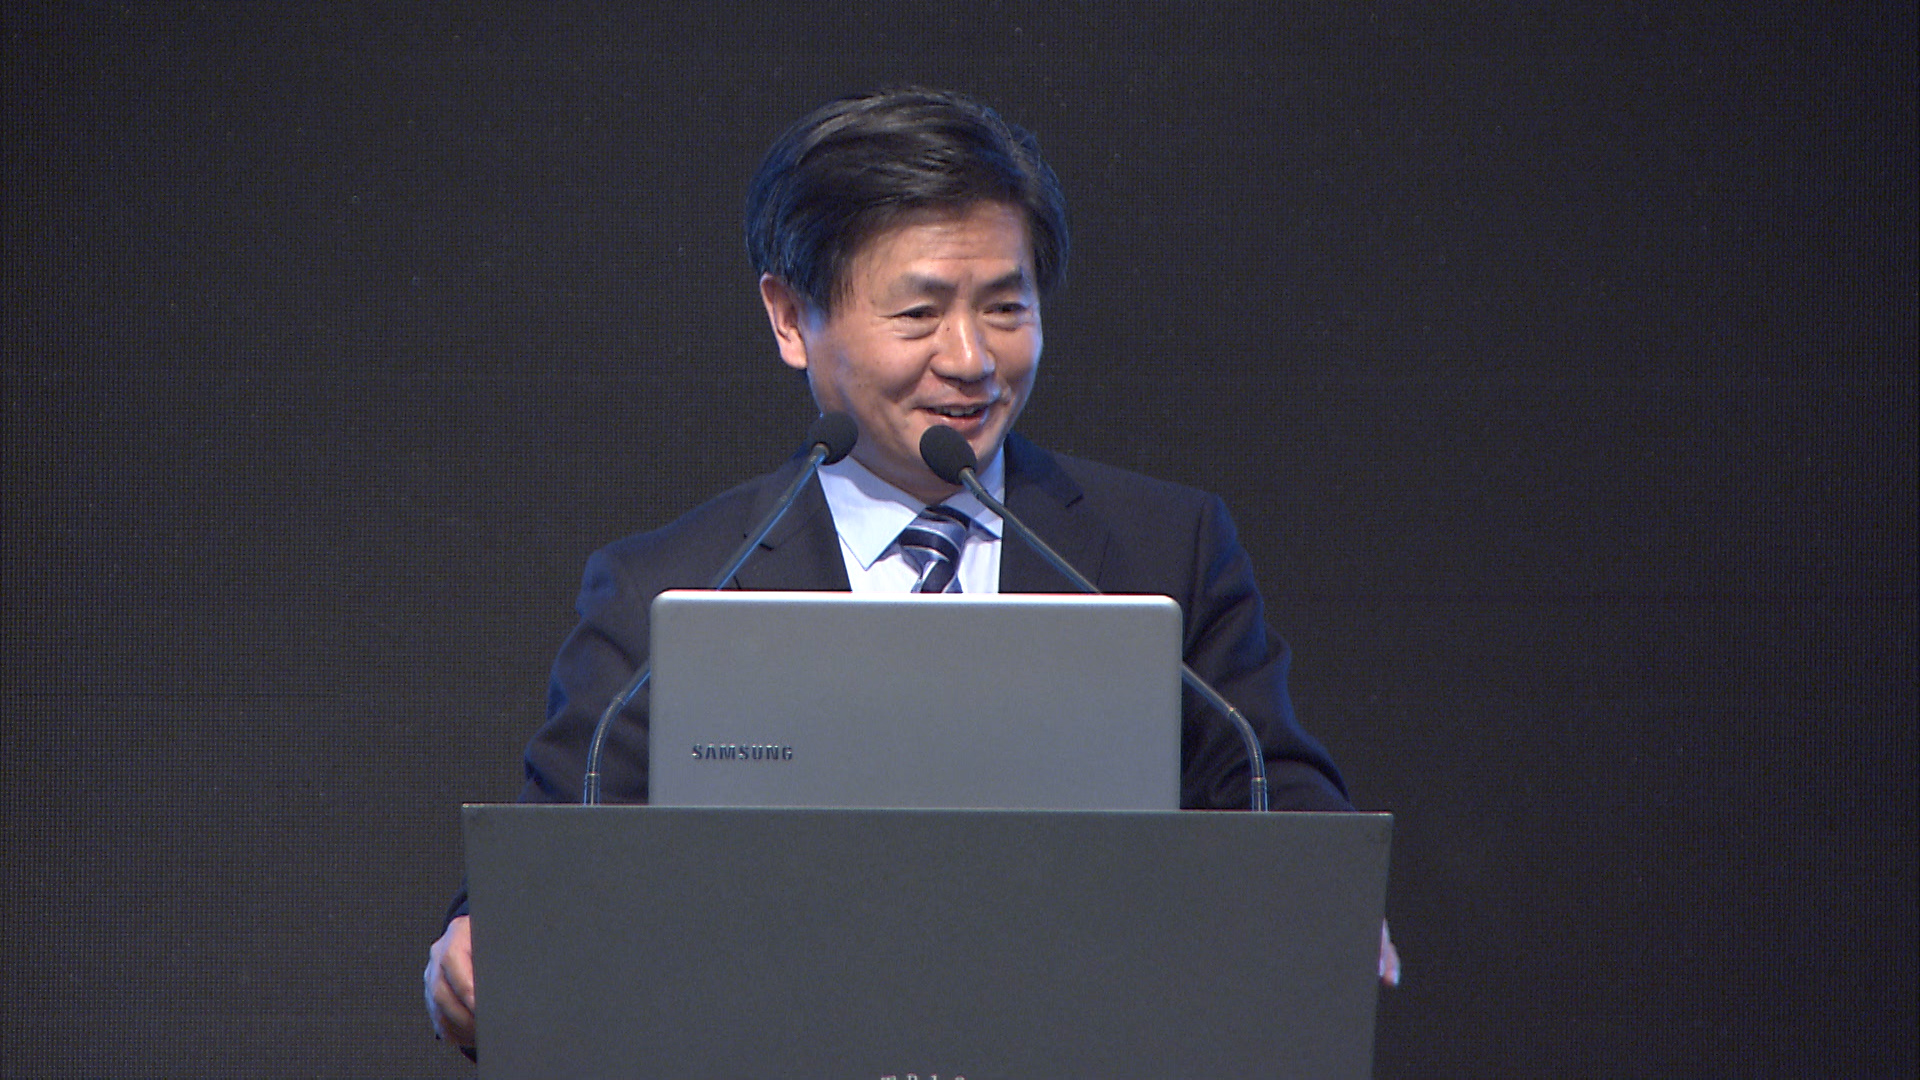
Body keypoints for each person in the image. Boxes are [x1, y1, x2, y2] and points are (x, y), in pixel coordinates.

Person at [425, 86, 1397, 1052]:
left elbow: (1274, 790)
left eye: (1006, 306)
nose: (972, 359)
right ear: (790, 317)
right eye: (920, 312)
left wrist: (1324, 899)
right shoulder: (669, 587)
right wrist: (478, 947)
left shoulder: (1161, 548)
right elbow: (551, 863)